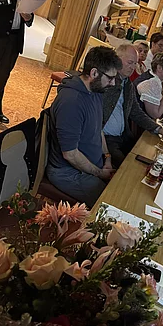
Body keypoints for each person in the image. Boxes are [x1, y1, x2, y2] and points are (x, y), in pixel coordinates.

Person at [46, 46, 121, 207]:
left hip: (93, 165)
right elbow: (70, 154)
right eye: (110, 78)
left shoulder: (96, 91)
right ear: (94, 73)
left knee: (123, 185)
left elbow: (98, 130)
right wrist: (100, 173)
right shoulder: (72, 102)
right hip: (68, 172)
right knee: (110, 203)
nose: (113, 83)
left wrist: (107, 157)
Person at [103, 45, 163, 167]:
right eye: (130, 62)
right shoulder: (106, 82)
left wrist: (159, 129)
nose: (133, 67)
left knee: (149, 158)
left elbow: (136, 112)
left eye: (135, 63)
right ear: (117, 59)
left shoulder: (127, 84)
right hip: (106, 139)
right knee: (128, 168)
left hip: (122, 136)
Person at [135, 53, 163, 120]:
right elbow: (156, 115)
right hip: (138, 122)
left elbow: (157, 103)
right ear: (159, 68)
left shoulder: (158, 79)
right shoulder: (152, 84)